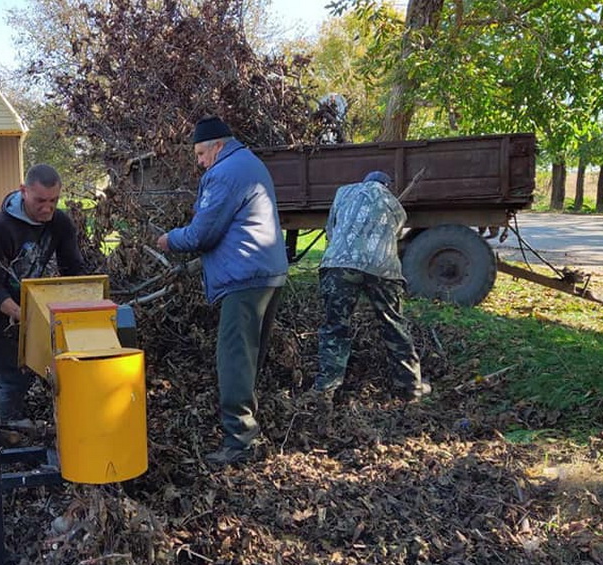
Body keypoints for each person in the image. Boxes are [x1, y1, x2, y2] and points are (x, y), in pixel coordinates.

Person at [156, 116, 288, 466]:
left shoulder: (225, 172)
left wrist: (170, 239)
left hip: (244, 277)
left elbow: (203, 233)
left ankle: (240, 442)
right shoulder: (250, 163)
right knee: (249, 357)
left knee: (233, 359)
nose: (198, 161)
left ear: (217, 146)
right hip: (267, 272)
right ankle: (248, 428)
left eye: (200, 153)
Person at [0, 164, 86, 423]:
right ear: (24, 192)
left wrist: (84, 305)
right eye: (40, 200)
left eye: (54, 200)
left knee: (30, 365)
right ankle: (4, 432)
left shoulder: (60, 223)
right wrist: (25, 316)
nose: (47, 208)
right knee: (8, 372)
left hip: (25, 302)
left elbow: (73, 270)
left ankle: (7, 419)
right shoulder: (1, 227)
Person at [310, 170, 428, 403]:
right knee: (394, 325)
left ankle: (325, 390)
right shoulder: (396, 207)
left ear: (364, 182)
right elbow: (392, 238)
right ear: (387, 186)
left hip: (338, 265)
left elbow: (331, 231)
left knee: (335, 327)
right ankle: (410, 388)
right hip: (382, 269)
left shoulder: (343, 193)